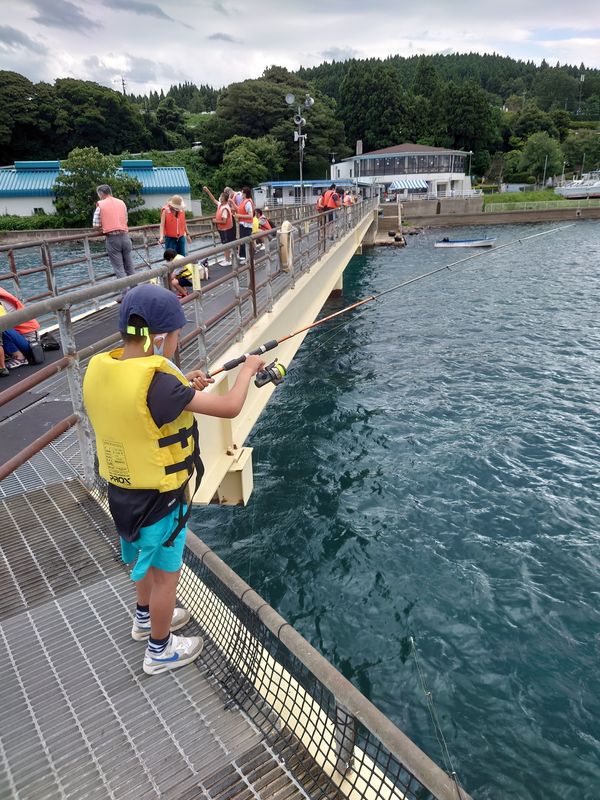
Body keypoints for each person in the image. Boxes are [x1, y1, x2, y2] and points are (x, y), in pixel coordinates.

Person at [82, 283, 264, 676]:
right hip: (160, 500)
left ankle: (143, 618)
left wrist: (183, 385)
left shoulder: (103, 367)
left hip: (122, 492)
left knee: (143, 560)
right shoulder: (161, 384)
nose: (177, 344)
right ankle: (159, 650)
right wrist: (248, 370)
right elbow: (230, 406)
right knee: (166, 578)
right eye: (177, 337)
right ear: (160, 337)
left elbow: (149, 404)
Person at [93, 185, 135, 292]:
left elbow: (95, 224)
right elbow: (125, 219)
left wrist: (103, 226)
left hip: (112, 239)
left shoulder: (101, 205)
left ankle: (126, 294)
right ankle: (135, 291)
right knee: (130, 266)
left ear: (101, 194)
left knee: (119, 269)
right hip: (125, 237)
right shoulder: (121, 203)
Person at [0, 286, 42, 371]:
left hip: (31, 343)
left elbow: (3, 323)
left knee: (3, 327)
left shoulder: (1, 302)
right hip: (20, 337)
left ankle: (20, 358)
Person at [213, 192, 235, 266]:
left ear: (223, 199)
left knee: (225, 245)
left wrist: (215, 221)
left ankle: (227, 260)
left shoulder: (224, 208)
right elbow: (213, 200)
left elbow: (224, 221)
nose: (220, 198)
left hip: (225, 230)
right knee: (226, 244)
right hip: (225, 229)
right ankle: (227, 258)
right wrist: (207, 191)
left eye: (221, 197)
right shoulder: (222, 205)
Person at [236, 187, 254, 264]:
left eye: (242, 193)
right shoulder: (244, 201)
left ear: (245, 194)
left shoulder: (248, 203)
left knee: (246, 242)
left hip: (246, 225)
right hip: (243, 224)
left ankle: (249, 259)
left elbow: (250, 215)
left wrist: (239, 216)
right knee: (244, 242)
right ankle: (246, 258)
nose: (241, 194)